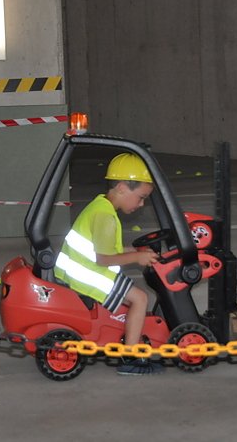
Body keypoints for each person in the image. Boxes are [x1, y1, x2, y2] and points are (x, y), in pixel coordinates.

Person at [54, 153, 165, 376]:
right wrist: (136, 258)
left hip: (79, 270)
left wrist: (133, 250)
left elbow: (104, 249)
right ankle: (130, 357)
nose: (142, 204)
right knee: (139, 298)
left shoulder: (100, 206)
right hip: (86, 275)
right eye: (141, 197)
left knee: (130, 295)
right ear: (123, 187)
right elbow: (103, 259)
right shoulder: (106, 216)